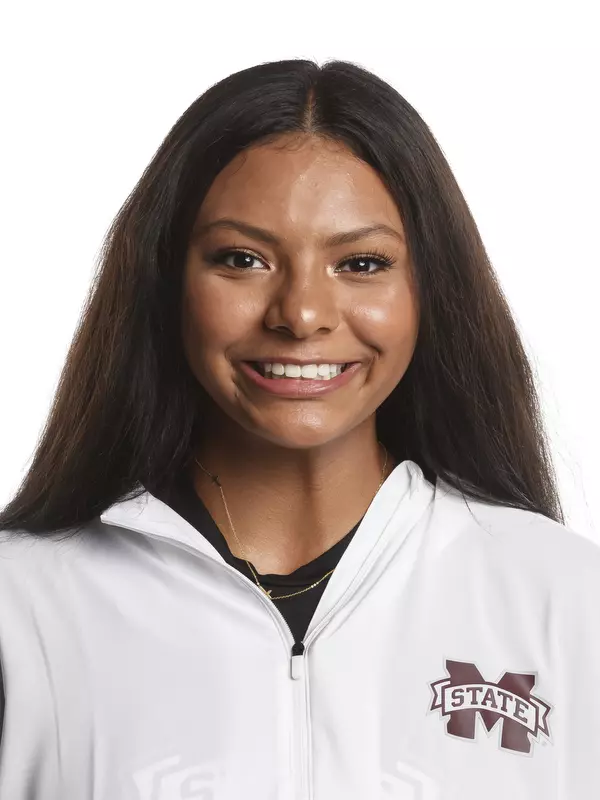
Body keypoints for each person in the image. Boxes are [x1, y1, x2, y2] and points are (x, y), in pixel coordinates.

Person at [0, 58, 598, 800]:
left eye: (362, 262)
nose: (302, 313)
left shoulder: (569, 599)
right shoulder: (21, 603)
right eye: (242, 259)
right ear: (166, 281)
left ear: (429, 290)